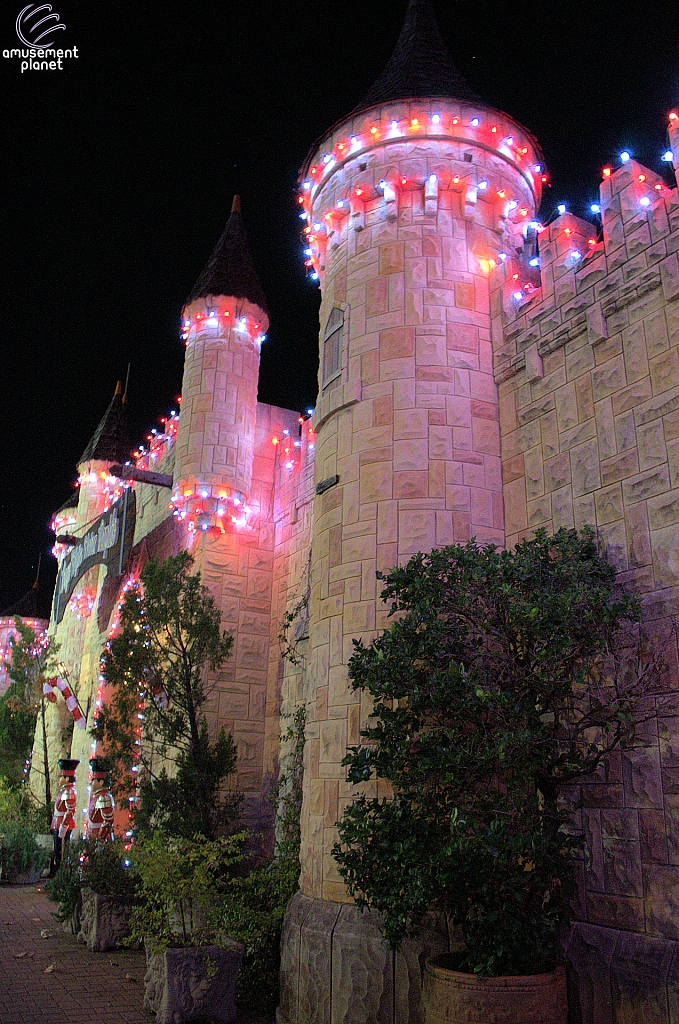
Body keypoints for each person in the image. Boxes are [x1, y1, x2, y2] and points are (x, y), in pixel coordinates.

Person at [51, 758, 79, 867]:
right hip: (58, 823)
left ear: (66, 778)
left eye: (61, 777)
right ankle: (57, 867)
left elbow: (70, 810)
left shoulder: (68, 791)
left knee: (62, 849)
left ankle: (60, 868)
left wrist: (63, 826)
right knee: (57, 848)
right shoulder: (64, 790)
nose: (59, 779)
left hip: (63, 824)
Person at [87, 758, 115, 842]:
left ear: (101, 782)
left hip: (101, 838)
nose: (91, 783)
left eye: (93, 780)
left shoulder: (104, 797)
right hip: (93, 836)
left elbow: (107, 821)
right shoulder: (97, 796)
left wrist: (101, 838)